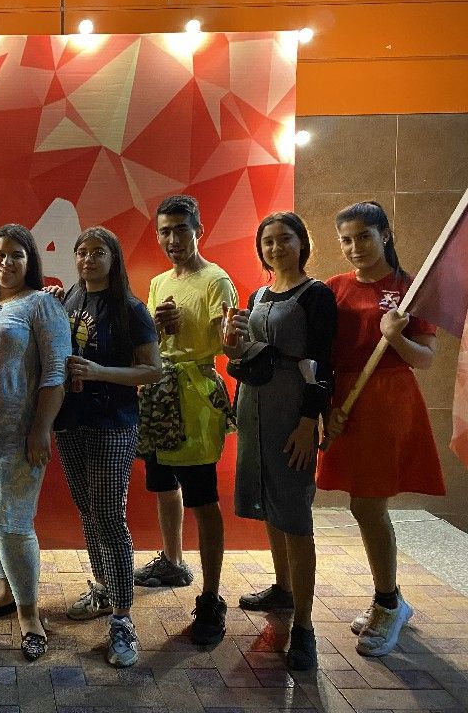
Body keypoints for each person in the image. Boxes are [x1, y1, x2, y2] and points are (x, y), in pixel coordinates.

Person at [320, 201, 444, 657]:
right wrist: (328, 409)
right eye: (346, 240)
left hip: (389, 403)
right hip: (348, 400)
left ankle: (388, 603)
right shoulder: (333, 289)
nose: (355, 247)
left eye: (364, 237)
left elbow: (425, 358)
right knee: (364, 505)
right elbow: (324, 358)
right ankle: (391, 598)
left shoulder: (409, 290)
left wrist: (394, 336)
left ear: (385, 235)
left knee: (367, 505)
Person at [228, 212, 336, 671]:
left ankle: (305, 628)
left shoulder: (317, 295)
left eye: (284, 239)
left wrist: (309, 421)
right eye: (267, 241)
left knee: (294, 511)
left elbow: (322, 362)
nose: (275, 248)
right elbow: (249, 355)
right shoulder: (258, 295)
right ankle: (283, 588)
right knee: (269, 501)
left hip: (292, 411)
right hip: (253, 408)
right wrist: (231, 345)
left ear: (301, 242)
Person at [0, 223, 71, 662]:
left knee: (12, 521)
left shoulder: (42, 304)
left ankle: (30, 616)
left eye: (16, 255)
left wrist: (41, 428)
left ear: (31, 261)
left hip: (20, 432)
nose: (6, 262)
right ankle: (6, 591)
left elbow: (56, 372)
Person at [53, 227, 161, 668]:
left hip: (113, 424)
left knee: (110, 516)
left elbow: (152, 370)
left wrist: (100, 372)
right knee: (88, 510)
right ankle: (103, 587)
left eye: (98, 251)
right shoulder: (68, 299)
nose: (88, 259)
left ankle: (122, 617)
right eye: (81, 251)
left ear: (114, 258)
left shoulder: (131, 309)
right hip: (69, 421)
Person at [137, 194, 236, 646]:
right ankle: (173, 560)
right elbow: (153, 344)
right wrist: (158, 328)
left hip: (195, 396)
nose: (173, 239)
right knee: (162, 483)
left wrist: (227, 335)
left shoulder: (217, 280)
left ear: (199, 231)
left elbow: (227, 342)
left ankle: (211, 596)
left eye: (181, 229)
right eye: (165, 231)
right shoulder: (158, 282)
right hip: (159, 392)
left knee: (202, 494)